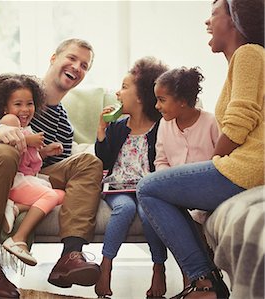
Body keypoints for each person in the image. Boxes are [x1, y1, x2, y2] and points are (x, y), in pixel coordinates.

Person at [0, 38, 103, 299]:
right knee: (4, 153)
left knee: (88, 162)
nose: (77, 66)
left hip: (20, 177)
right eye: (72, 58)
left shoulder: (63, 124)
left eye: (84, 65)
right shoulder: (8, 91)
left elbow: (41, 172)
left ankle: (70, 257)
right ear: (53, 58)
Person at [136, 0, 264, 298]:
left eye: (213, 14)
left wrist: (216, 161)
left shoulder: (248, 54)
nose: (207, 23)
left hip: (248, 168)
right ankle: (206, 282)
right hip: (246, 167)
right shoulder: (246, 59)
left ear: (234, 20)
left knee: (149, 188)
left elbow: (240, 120)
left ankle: (204, 282)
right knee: (160, 189)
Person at [94, 56, 169, 298]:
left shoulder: (161, 128)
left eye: (124, 88)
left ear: (141, 97)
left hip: (148, 189)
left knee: (148, 215)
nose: (117, 93)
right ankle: (106, 267)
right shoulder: (117, 127)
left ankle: (159, 267)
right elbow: (105, 160)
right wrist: (101, 132)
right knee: (124, 209)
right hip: (118, 188)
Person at [0, 73, 65, 267]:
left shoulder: (25, 128)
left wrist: (44, 152)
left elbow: (25, 160)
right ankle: (18, 238)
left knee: (63, 194)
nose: (25, 109)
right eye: (18, 104)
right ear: (5, 108)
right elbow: (10, 144)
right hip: (11, 182)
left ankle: (16, 207)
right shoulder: (7, 122)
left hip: (24, 180)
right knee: (52, 197)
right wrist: (29, 140)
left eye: (29, 103)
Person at [154, 66, 220, 287]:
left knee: (196, 219)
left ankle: (205, 278)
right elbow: (161, 161)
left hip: (205, 189)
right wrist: (167, 182)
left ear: (182, 101)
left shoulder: (210, 122)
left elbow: (222, 161)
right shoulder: (165, 125)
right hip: (177, 191)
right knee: (166, 207)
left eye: (162, 100)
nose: (157, 106)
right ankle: (194, 280)